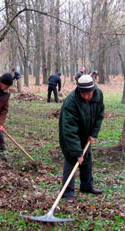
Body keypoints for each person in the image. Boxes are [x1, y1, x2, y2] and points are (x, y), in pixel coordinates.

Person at [59, 75, 105, 203]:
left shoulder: (98, 95)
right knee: (72, 159)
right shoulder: (71, 101)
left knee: (87, 159)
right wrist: (77, 152)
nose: (85, 96)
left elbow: (99, 115)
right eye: (83, 94)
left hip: (86, 133)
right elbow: (69, 130)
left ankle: (86, 186)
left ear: (93, 90)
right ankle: (67, 193)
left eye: (88, 94)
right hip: (70, 134)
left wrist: (93, 133)